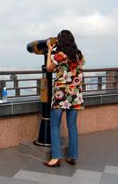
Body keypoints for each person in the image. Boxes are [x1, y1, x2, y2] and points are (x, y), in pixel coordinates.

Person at [43, 30, 85, 167]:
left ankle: (55, 158)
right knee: (72, 126)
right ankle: (73, 156)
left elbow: (49, 68)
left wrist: (50, 51)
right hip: (75, 96)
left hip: (61, 96)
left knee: (54, 125)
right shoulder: (79, 55)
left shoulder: (59, 55)